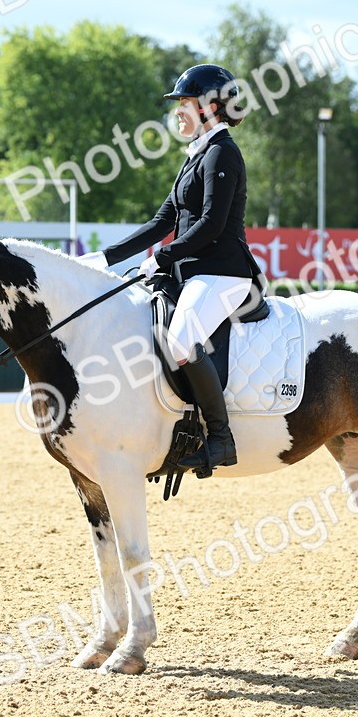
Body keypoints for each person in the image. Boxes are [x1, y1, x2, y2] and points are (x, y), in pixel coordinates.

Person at [83, 64, 261, 471]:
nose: (177, 111)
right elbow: (162, 222)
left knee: (180, 343)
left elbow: (212, 225)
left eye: (185, 102)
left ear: (211, 107)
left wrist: (165, 256)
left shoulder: (222, 153)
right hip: (194, 271)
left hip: (224, 273)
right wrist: (104, 259)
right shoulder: (196, 155)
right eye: (177, 103)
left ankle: (221, 438)